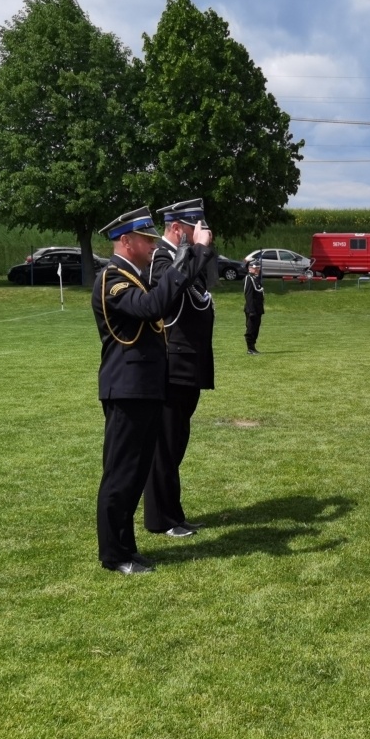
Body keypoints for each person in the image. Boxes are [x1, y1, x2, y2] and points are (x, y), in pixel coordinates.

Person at [91, 205, 213, 574]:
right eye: (144, 240)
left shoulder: (136, 275)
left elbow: (167, 298)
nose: (149, 245)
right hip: (126, 390)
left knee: (136, 472)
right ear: (125, 242)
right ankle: (114, 555)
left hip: (144, 389)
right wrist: (186, 255)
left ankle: (128, 548)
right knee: (121, 475)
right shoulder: (114, 279)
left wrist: (193, 256)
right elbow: (152, 306)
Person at [144, 199, 216, 539]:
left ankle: (174, 513)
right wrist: (199, 251)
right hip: (172, 365)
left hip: (189, 363)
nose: (201, 234)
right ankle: (161, 518)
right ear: (177, 229)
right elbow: (170, 294)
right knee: (165, 444)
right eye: (194, 228)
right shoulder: (161, 258)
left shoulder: (183, 258)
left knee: (177, 443)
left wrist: (197, 253)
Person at [242, 259, 265, 355]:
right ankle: (250, 348)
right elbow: (248, 295)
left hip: (258, 308)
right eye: (257, 268)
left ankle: (253, 347)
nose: (258, 270)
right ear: (251, 268)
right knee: (251, 328)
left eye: (259, 268)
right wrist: (251, 310)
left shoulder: (256, 279)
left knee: (256, 328)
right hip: (252, 309)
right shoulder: (249, 278)